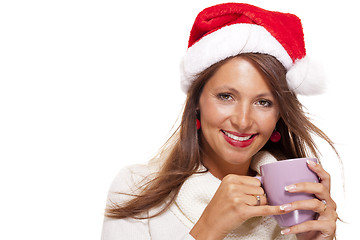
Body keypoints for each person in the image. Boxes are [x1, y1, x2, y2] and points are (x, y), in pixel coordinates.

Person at [101, 3, 339, 240]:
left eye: (263, 102)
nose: (243, 121)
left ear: (279, 115)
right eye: (226, 96)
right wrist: (208, 229)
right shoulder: (136, 188)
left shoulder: (296, 204)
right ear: (196, 101)